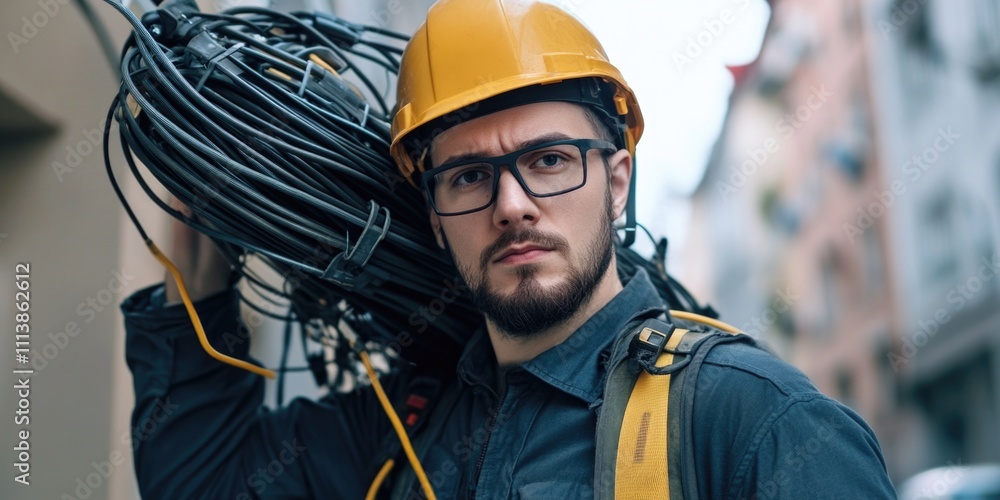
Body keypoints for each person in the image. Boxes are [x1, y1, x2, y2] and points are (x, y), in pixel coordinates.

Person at [121, 0, 897, 498]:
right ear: (432, 213)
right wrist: (212, 189)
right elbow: (201, 483)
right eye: (469, 177)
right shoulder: (412, 423)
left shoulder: (753, 422)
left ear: (617, 180)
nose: (512, 205)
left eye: (550, 161)